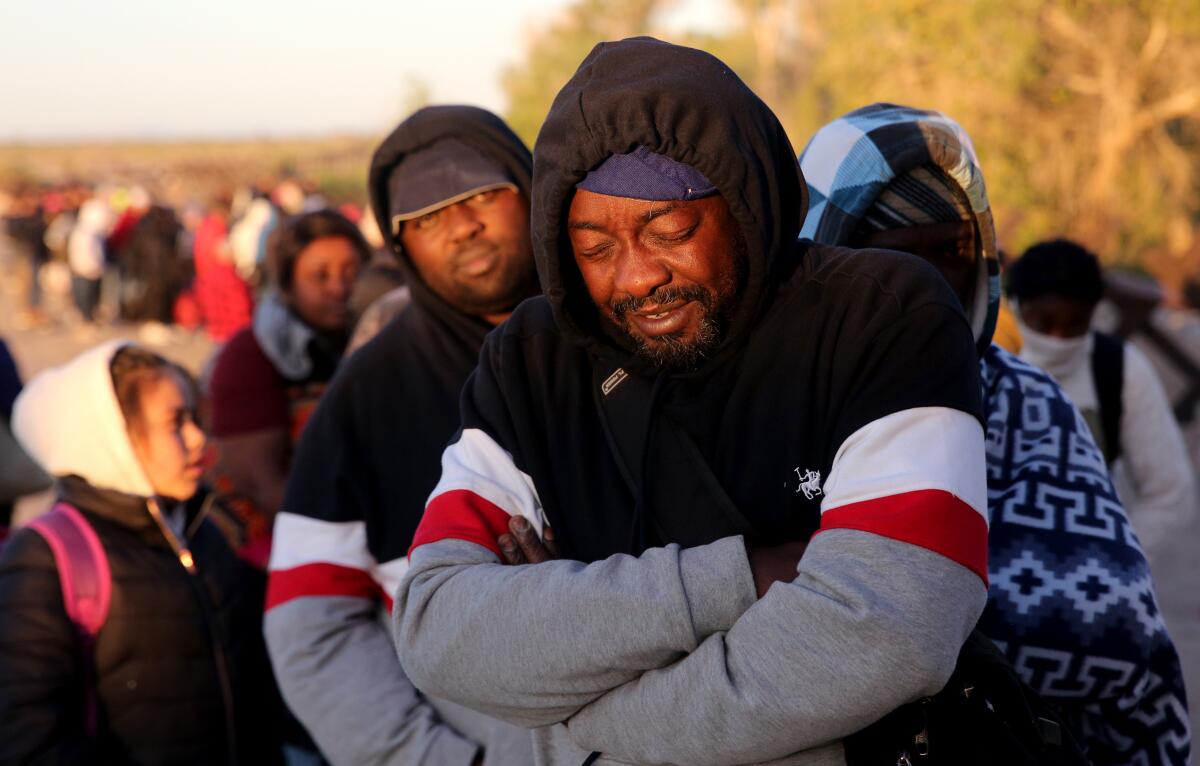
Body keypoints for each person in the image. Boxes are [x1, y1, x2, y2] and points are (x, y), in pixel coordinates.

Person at [392, 39, 990, 766]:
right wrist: (743, 577)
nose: (639, 277)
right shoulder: (531, 359)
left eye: (669, 231)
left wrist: (579, 696)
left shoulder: (880, 316)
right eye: (595, 248)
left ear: (746, 202)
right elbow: (437, 631)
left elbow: (892, 630)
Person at [799, 103, 1190, 765]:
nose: (929, 285)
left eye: (950, 252)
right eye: (894, 259)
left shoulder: (1027, 400)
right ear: (825, 257)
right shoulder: (770, 401)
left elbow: (1120, 634)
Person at [263, 106, 540, 765]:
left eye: (480, 194)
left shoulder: (635, 334)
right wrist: (430, 758)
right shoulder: (368, 392)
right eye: (426, 216)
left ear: (533, 191)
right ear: (398, 245)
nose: (462, 227)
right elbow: (312, 626)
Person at [0, 341, 284, 764]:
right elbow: (27, 730)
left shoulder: (205, 532)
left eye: (194, 417)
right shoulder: (47, 556)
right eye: (175, 423)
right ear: (113, 439)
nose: (197, 438)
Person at [1009, 240, 1196, 562]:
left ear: (1094, 314)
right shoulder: (987, 367)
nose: (1057, 340)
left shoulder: (1118, 368)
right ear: (1015, 307)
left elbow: (1170, 490)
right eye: (1043, 323)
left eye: (1074, 325)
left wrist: (1114, 560)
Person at [207, 209, 370, 569]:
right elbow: (258, 481)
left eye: (351, 272)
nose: (338, 287)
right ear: (287, 284)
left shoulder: (367, 339)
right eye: (319, 276)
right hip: (273, 546)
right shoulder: (251, 354)